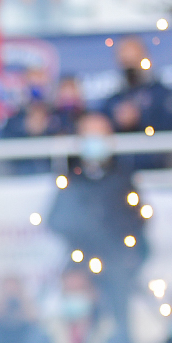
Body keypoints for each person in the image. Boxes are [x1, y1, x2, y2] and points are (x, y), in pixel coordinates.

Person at [46, 112, 145, 327]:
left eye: (100, 135)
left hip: (117, 267)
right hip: (81, 265)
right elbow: (55, 221)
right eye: (89, 135)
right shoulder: (71, 180)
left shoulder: (123, 179)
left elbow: (138, 221)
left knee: (118, 325)